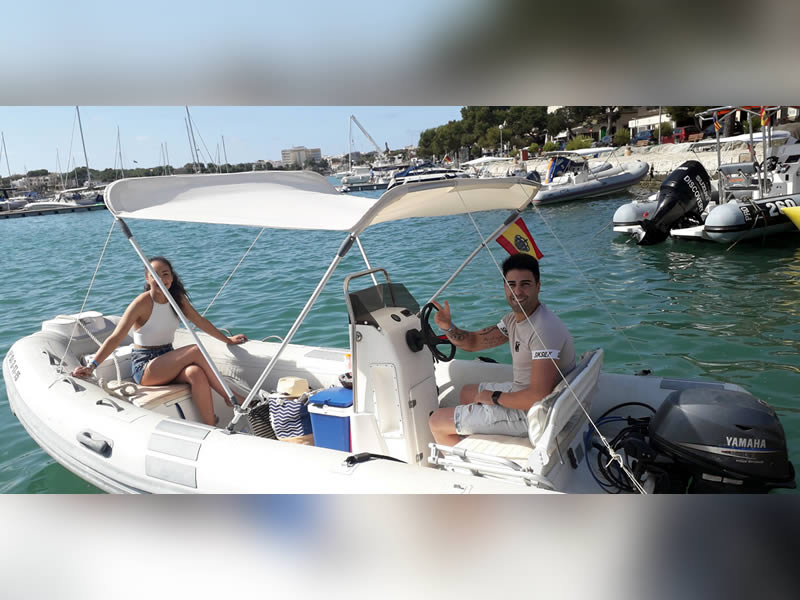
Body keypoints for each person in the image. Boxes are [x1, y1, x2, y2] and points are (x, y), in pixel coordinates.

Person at [71, 256, 248, 426]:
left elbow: (200, 321)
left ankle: (210, 424)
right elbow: (116, 337)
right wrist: (92, 366)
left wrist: (227, 339)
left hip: (167, 359)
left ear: (172, 277)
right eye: (155, 275)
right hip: (145, 366)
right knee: (195, 350)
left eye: (165, 274)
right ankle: (230, 396)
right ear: (147, 279)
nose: (162, 279)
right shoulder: (142, 303)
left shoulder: (176, 299)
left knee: (195, 372)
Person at [428, 253, 576, 446]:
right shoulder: (513, 320)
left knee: (437, 421)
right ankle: (478, 442)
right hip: (526, 395)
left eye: (525, 284)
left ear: (538, 286)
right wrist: (448, 327)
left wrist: (494, 397)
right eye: (511, 284)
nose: (517, 291)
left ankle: (467, 462)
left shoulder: (544, 329)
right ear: (505, 287)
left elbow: (537, 397)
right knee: (467, 392)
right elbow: (473, 342)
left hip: (534, 413)